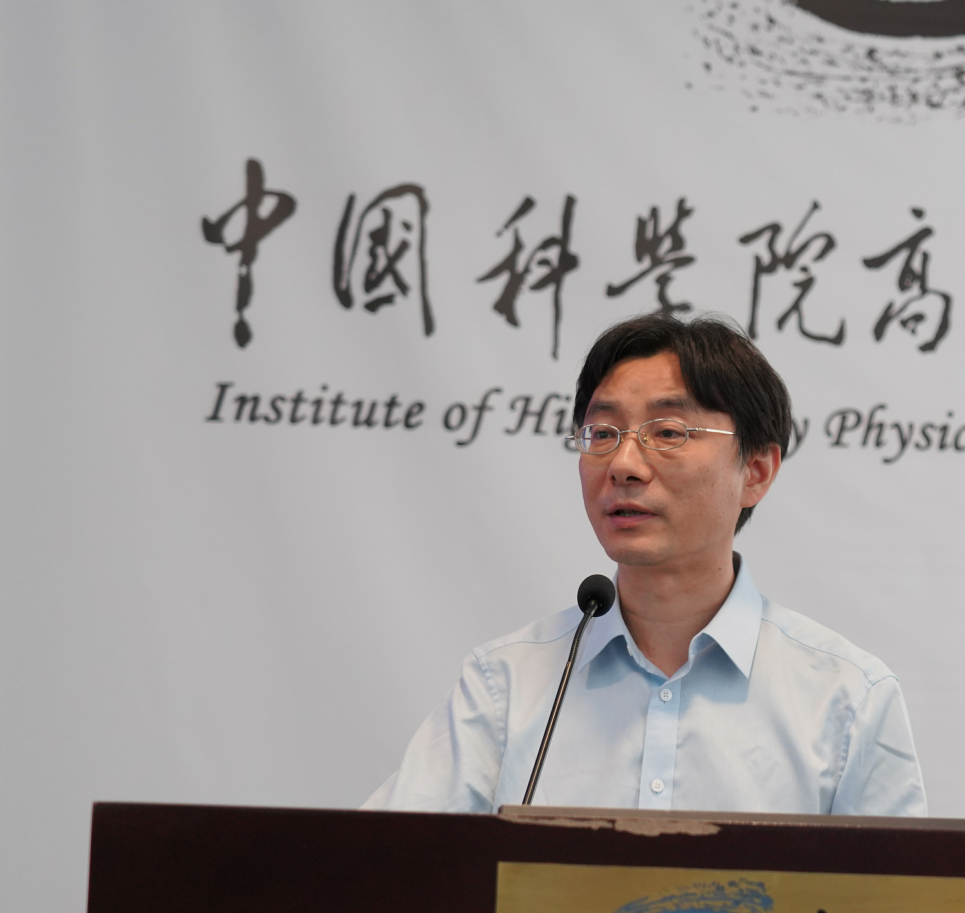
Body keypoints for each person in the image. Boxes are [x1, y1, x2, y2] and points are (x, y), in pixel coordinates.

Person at [365, 313, 927, 815]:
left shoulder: (847, 698)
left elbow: (896, 897)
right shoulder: (507, 685)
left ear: (755, 471)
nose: (624, 464)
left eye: (668, 433)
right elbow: (381, 868)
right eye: (603, 433)